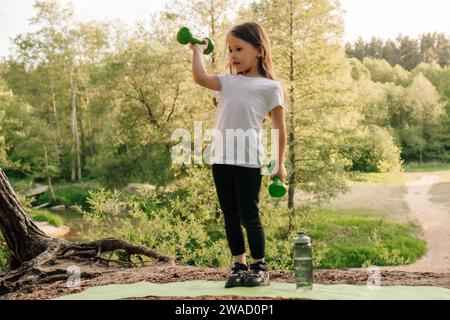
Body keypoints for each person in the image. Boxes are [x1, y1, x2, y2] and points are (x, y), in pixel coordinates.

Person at [189, 22, 287, 288]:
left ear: (258, 50)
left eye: (239, 48)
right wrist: (197, 50)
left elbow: (279, 128)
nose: (232, 54)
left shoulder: (270, 87)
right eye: (230, 49)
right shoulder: (226, 82)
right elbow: (199, 77)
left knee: (249, 216)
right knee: (229, 215)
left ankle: (259, 266)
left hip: (248, 161)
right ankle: (238, 265)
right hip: (220, 159)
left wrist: (279, 163)